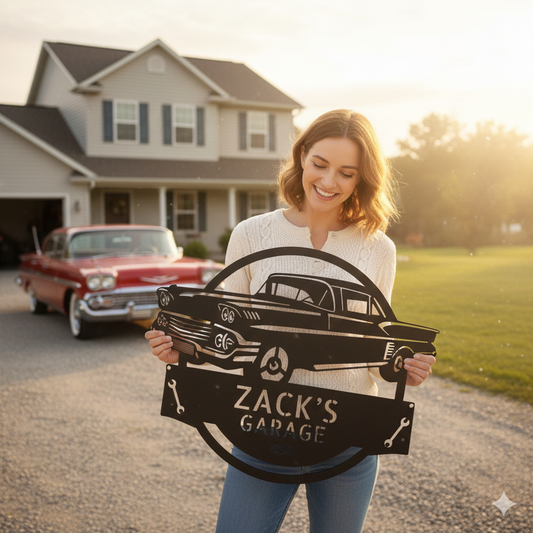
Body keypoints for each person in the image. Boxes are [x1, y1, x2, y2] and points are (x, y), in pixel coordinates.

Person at [146, 109, 436, 533]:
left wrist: (403, 370)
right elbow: (231, 335)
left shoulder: (378, 249)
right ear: (301, 156)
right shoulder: (252, 234)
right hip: (263, 426)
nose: (329, 181)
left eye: (346, 172)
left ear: (361, 179)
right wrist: (181, 346)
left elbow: (373, 349)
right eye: (320, 164)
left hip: (347, 433)